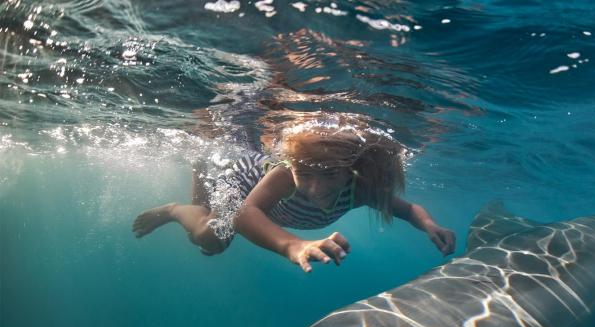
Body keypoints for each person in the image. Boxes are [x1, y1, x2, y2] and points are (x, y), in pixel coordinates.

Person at [132, 115, 456, 272]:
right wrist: (294, 245)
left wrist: (430, 225)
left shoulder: (359, 189)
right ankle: (174, 209)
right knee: (212, 237)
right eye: (306, 174)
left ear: (350, 170)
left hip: (263, 183)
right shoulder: (286, 175)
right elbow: (246, 214)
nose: (315, 187)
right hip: (245, 180)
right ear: (293, 166)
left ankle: (200, 163)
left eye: (329, 174)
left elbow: (407, 209)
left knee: (207, 216)